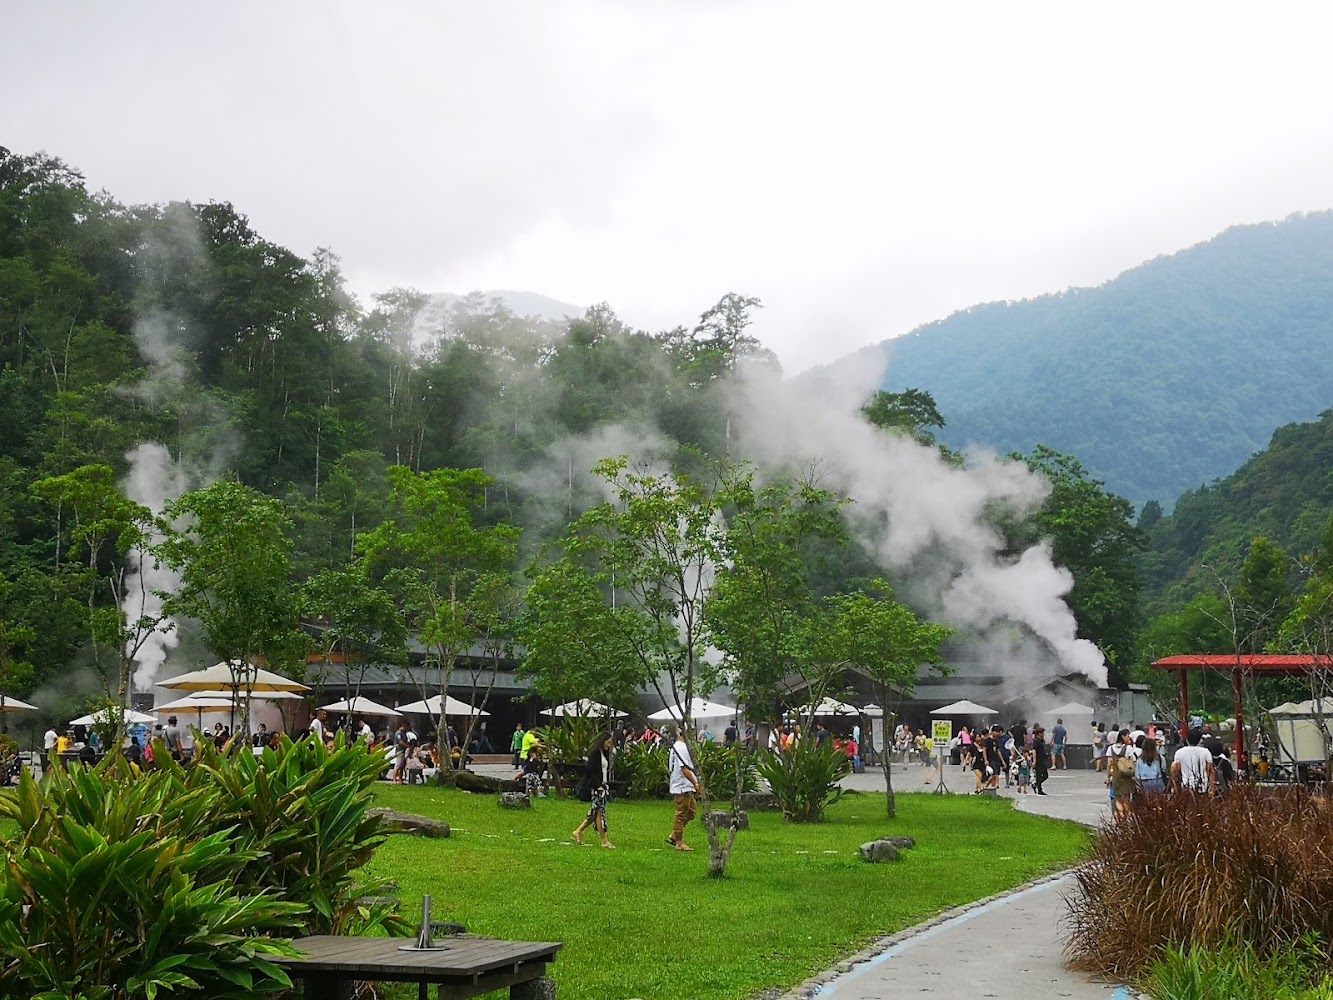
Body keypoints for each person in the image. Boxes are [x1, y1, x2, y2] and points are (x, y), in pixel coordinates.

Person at [572, 731, 616, 849]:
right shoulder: (596, 753)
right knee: (600, 813)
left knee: (595, 814)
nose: (609, 745)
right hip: (597, 788)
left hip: (602, 787)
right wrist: (598, 786)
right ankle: (604, 840)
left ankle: (578, 831)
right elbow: (592, 771)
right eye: (608, 742)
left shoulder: (603, 753)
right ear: (603, 741)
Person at [665, 724, 699, 852]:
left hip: (685, 784)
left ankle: (675, 834)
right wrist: (695, 783)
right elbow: (684, 768)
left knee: (691, 811)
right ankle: (679, 842)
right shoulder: (682, 748)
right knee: (681, 813)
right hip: (682, 785)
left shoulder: (678, 746)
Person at [1105, 728, 1139, 816]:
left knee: (1118, 798)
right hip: (1127, 776)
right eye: (1128, 736)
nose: (1129, 738)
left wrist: (1108, 777)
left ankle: (1120, 814)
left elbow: (1109, 764)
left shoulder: (1110, 748)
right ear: (1123, 736)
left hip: (1116, 776)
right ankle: (1126, 816)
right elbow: (1133, 761)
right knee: (1127, 798)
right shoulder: (1128, 748)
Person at [1171, 728, 1216, 794]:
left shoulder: (1179, 752)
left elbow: (1175, 771)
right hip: (1203, 786)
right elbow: (1210, 771)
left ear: (1187, 739)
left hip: (1186, 786)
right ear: (1200, 739)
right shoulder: (1206, 752)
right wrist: (1211, 789)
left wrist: (1177, 788)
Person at [1031, 725, 1051, 795]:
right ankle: (1039, 789)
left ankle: (1036, 784)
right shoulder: (1036, 741)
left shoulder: (1042, 741)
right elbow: (1034, 751)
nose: (1043, 734)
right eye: (1042, 733)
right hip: (1038, 760)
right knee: (1039, 775)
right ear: (1039, 733)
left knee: (1045, 775)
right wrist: (1034, 760)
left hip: (1042, 759)